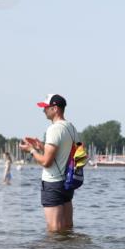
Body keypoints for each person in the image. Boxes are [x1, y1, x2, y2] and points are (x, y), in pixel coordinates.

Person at [20, 94, 78, 232]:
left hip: (53, 183)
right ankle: (70, 247)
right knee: (67, 228)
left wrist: (31, 150)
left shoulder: (54, 129)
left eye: (46, 107)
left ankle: (54, 248)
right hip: (67, 183)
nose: (43, 110)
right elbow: (67, 152)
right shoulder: (71, 127)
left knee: (54, 230)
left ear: (55, 108)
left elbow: (46, 162)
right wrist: (42, 146)